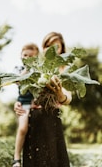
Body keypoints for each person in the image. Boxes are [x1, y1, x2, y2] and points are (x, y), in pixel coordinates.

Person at [21, 32, 72, 167]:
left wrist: (61, 95)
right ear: (43, 47)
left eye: (57, 46)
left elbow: (68, 98)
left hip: (51, 119)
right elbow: (24, 91)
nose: (53, 49)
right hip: (34, 118)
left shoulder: (64, 69)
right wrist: (19, 103)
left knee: (53, 159)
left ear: (62, 49)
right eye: (48, 46)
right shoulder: (37, 66)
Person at [13, 43, 39, 167]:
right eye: (25, 55)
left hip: (35, 103)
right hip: (23, 103)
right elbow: (17, 81)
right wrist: (27, 70)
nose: (28, 58)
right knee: (23, 128)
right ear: (20, 56)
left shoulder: (38, 70)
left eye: (31, 57)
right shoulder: (18, 69)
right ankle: (16, 158)